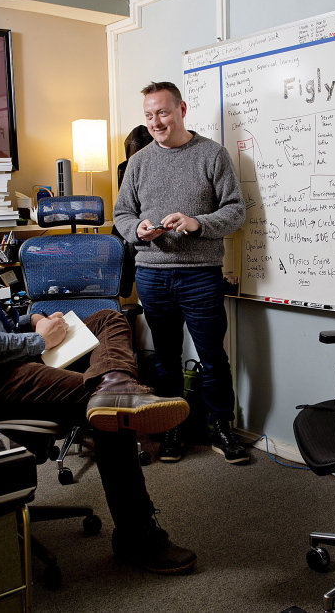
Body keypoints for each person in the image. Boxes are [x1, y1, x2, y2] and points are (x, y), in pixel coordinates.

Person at [0, 166, 196, 575]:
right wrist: (39, 342)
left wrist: (29, 325)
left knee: (107, 318)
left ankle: (116, 382)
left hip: (3, 361)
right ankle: (137, 535)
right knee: (105, 410)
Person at [114, 81, 248, 465]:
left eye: (163, 112)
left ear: (181, 109)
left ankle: (221, 426)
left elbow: (236, 210)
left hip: (199, 274)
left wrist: (195, 223)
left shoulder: (212, 154)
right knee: (165, 359)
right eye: (149, 115)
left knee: (212, 357)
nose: (156, 122)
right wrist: (137, 229)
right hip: (152, 276)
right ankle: (173, 427)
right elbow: (122, 213)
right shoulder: (139, 162)